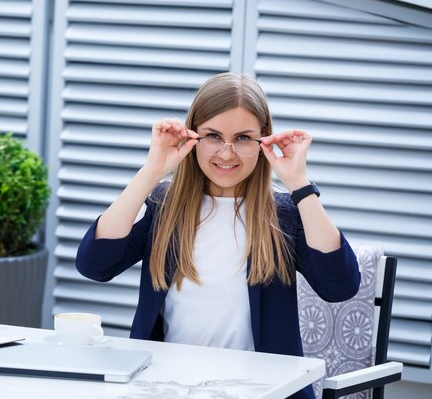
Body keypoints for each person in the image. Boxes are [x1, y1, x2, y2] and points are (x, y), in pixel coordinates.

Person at [75, 72, 360, 399]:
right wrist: (151, 171)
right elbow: (94, 266)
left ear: (263, 141)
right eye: (212, 135)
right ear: (192, 137)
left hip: (262, 390)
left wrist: (299, 185)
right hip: (166, 386)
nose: (226, 154)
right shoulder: (163, 206)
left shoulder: (284, 213)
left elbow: (340, 286)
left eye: (242, 138)